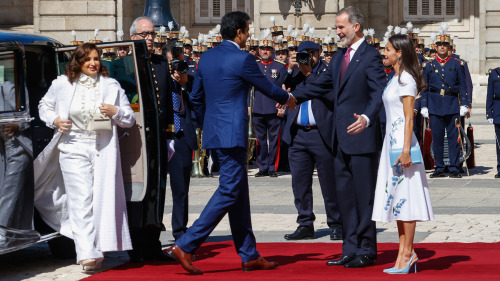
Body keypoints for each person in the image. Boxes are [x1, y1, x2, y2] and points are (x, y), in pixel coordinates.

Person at [167, 11, 296, 275]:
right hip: (233, 133)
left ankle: (249, 254)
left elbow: (196, 96)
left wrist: (209, 122)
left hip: (216, 132)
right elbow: (267, 88)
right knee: (229, 190)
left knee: (238, 193)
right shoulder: (243, 59)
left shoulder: (208, 58)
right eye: (247, 31)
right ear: (238, 31)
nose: (248, 36)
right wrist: (289, 98)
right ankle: (186, 244)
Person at [291, 6, 385, 268]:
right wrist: (291, 97)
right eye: (336, 27)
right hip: (338, 138)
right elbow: (320, 85)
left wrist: (367, 118)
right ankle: (349, 248)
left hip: (361, 136)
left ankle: (366, 249)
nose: (337, 32)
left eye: (341, 27)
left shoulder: (370, 56)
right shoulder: (338, 57)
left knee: (363, 196)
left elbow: (379, 92)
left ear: (356, 27)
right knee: (344, 196)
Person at [35, 43, 134, 271]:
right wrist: (55, 120)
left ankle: (98, 246)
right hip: (72, 146)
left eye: (96, 59)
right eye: (87, 59)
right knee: (80, 199)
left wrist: (116, 112)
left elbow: (128, 118)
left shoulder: (111, 85)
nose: (93, 63)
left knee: (99, 199)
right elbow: (44, 106)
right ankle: (86, 252)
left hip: (102, 148)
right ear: (78, 62)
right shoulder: (62, 84)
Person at [372, 34, 434, 274]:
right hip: (393, 141)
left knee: (406, 198)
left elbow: (410, 117)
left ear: (400, 53)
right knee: (398, 199)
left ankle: (408, 253)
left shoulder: (406, 79)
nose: (383, 53)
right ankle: (402, 253)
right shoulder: (395, 78)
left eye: (387, 49)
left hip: (402, 145)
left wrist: (406, 150)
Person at [282, 41, 342, 241]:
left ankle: (336, 223)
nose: (308, 58)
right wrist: (291, 70)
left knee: (329, 182)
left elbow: (333, 96)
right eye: (303, 54)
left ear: (319, 53)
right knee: (299, 183)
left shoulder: (327, 72)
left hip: (321, 133)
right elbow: (278, 88)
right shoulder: (295, 74)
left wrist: (310, 74)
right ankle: (305, 223)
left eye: (311, 53)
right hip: (298, 134)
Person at [128, 16, 176, 262]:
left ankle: (153, 243)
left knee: (158, 191)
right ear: (133, 37)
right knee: (137, 194)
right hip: (135, 141)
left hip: (157, 140)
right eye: (144, 34)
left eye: (152, 34)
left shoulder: (159, 63)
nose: (149, 39)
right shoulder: (125, 64)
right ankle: (135, 247)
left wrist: (170, 136)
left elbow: (167, 103)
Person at [420, 33, 470, 178]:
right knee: (437, 137)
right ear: (436, 47)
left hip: (452, 104)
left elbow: (463, 86)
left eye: (445, 45)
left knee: (454, 138)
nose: (442, 47)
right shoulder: (429, 66)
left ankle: (454, 166)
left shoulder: (456, 64)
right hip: (435, 106)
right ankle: (440, 167)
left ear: (449, 47)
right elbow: (424, 88)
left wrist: (465, 104)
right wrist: (424, 105)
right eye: (439, 45)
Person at [163, 41, 197, 240]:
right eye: (172, 63)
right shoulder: (158, 78)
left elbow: (198, 105)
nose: (177, 67)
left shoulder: (189, 80)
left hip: (182, 136)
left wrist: (184, 84)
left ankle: (179, 229)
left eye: (180, 62)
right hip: (163, 135)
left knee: (181, 188)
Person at [253, 39, 288, 177]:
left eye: (268, 49)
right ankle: (262, 167)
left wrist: (282, 106)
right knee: (260, 140)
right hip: (258, 109)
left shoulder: (279, 67)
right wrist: (249, 106)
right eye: (262, 49)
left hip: (274, 108)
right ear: (259, 51)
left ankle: (273, 167)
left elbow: (284, 89)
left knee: (274, 140)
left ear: (272, 51)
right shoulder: (254, 66)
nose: (265, 51)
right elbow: (248, 89)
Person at [486, 67, 500, 178]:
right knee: (499, 143)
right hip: (498, 110)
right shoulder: (494, 73)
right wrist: (489, 113)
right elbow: (490, 94)